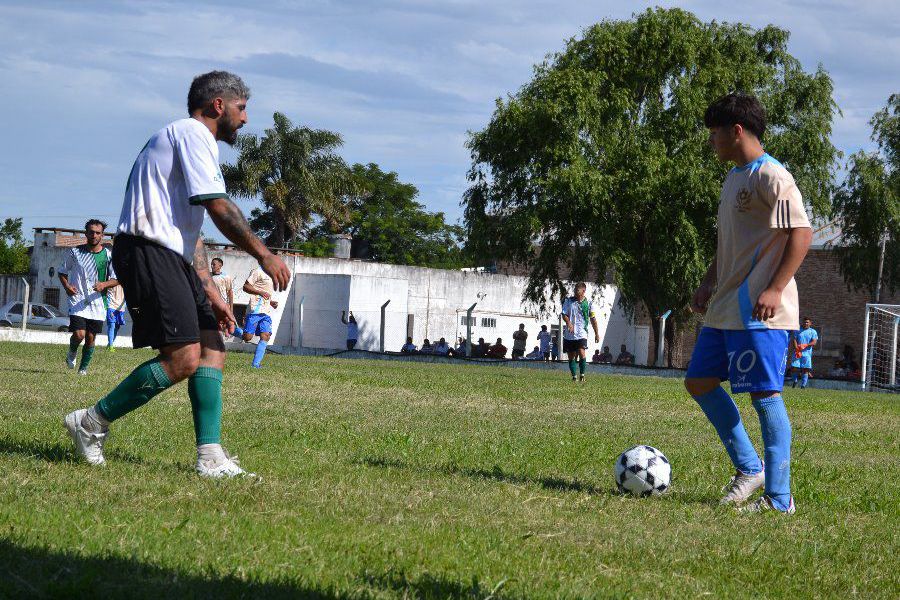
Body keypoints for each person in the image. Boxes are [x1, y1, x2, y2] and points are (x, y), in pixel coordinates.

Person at [63, 71, 291, 479]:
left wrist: (210, 290)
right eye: (242, 108)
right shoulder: (191, 134)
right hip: (148, 251)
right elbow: (219, 207)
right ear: (218, 105)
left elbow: (192, 228)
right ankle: (90, 422)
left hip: (170, 254)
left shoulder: (190, 142)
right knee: (183, 358)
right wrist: (264, 254)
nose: (245, 119)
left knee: (212, 348)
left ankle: (210, 457)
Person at [685, 93, 812, 514]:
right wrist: (707, 282)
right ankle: (749, 468)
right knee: (699, 381)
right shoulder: (734, 177)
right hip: (725, 307)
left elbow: (801, 233)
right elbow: (730, 246)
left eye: (715, 132)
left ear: (736, 130)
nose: (712, 141)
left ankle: (779, 499)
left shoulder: (772, 176)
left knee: (765, 396)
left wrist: (775, 288)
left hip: (760, 313)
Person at [59, 219, 119, 375]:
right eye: (91, 232)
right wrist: (67, 287)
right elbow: (62, 271)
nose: (94, 235)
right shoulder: (75, 252)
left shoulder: (108, 255)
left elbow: (117, 279)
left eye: (97, 232)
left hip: (98, 302)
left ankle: (83, 369)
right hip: (78, 300)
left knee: (91, 337)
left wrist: (103, 285)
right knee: (79, 334)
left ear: (102, 235)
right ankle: (72, 353)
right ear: (86, 233)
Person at [561, 282, 600, 381]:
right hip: (570, 334)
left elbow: (593, 319)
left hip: (582, 332)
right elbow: (564, 314)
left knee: (582, 352)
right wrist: (569, 322)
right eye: (574, 290)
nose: (575, 292)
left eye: (577, 290)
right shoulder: (568, 301)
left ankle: (582, 375)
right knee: (571, 356)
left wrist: (596, 333)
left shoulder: (589, 303)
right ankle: (574, 376)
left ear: (583, 291)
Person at [242, 267, 279, 367]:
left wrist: (270, 302)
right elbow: (245, 287)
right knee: (247, 337)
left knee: (266, 335)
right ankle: (232, 329)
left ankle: (255, 364)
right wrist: (260, 293)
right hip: (255, 310)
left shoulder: (272, 274)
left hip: (266, 311)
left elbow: (265, 291)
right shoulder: (257, 271)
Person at [211, 257, 243, 338]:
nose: (212, 266)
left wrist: (231, 308)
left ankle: (240, 334)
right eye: (211, 264)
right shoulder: (208, 276)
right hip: (212, 305)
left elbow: (230, 292)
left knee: (229, 325)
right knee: (216, 326)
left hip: (223, 305)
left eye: (214, 264)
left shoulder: (226, 277)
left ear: (220, 265)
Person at [790, 317, 818, 389]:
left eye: (807, 322)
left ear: (810, 323)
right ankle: (795, 381)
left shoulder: (813, 331)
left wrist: (805, 345)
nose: (805, 323)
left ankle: (803, 386)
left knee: (805, 369)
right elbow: (794, 339)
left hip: (807, 354)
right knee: (794, 367)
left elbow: (814, 342)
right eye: (804, 322)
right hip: (797, 352)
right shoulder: (798, 330)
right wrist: (797, 349)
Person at [105, 282, 127, 352]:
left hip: (121, 307)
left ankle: (109, 344)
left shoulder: (126, 278)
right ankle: (111, 346)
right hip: (111, 305)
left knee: (117, 327)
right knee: (112, 325)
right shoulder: (110, 277)